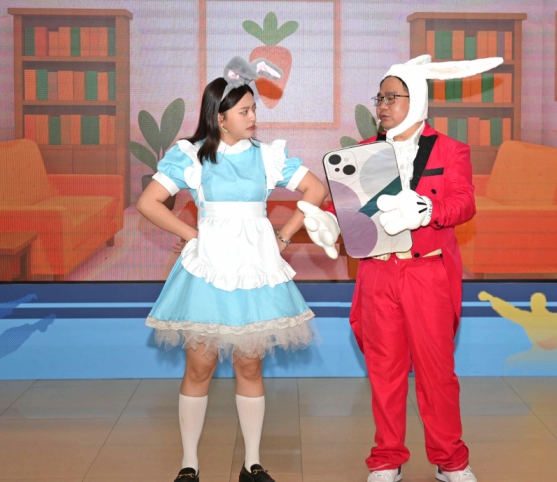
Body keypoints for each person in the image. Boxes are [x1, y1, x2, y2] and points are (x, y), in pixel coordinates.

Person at [298, 55, 502, 482]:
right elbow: (349, 208)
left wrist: (428, 209)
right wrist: (330, 223)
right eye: (380, 98)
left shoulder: (450, 149)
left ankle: (451, 461)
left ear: (418, 99)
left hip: (427, 272)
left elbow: (464, 202)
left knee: (437, 373)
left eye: (392, 97)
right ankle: (387, 459)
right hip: (377, 272)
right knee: (384, 372)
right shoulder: (363, 152)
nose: (383, 106)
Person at [137, 56, 328, 482]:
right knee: (199, 366)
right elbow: (148, 202)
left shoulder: (268, 156)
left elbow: (315, 189)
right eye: (245, 111)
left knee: (249, 366)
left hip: (255, 271)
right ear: (219, 118)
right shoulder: (191, 156)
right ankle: (189, 465)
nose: (253, 117)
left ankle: (252, 463)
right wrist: (192, 235)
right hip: (207, 271)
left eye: (254, 109)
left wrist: (283, 237)